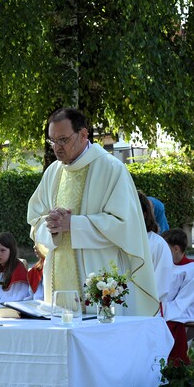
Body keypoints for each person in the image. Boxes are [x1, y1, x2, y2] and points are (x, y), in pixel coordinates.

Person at [27, 108, 158, 315]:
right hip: (58, 285)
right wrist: (51, 228)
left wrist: (74, 224)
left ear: (83, 134)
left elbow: (125, 224)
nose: (57, 147)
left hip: (100, 278)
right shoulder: (52, 173)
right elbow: (35, 221)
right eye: (52, 141)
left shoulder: (111, 168)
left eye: (63, 140)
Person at [161, 228, 194, 365]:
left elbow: (184, 299)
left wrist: (163, 310)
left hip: (191, 308)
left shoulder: (191, 269)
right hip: (173, 307)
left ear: (176, 249)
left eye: (165, 248)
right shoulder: (167, 266)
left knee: (168, 323)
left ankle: (174, 363)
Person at [139, 191, 173, 316]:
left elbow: (161, 286)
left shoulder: (157, 244)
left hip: (150, 311)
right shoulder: (123, 242)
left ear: (144, 215)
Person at [0, 231, 32, 312]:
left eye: (2, 250)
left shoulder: (18, 271)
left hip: (8, 311)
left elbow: (16, 298)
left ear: (11, 250)